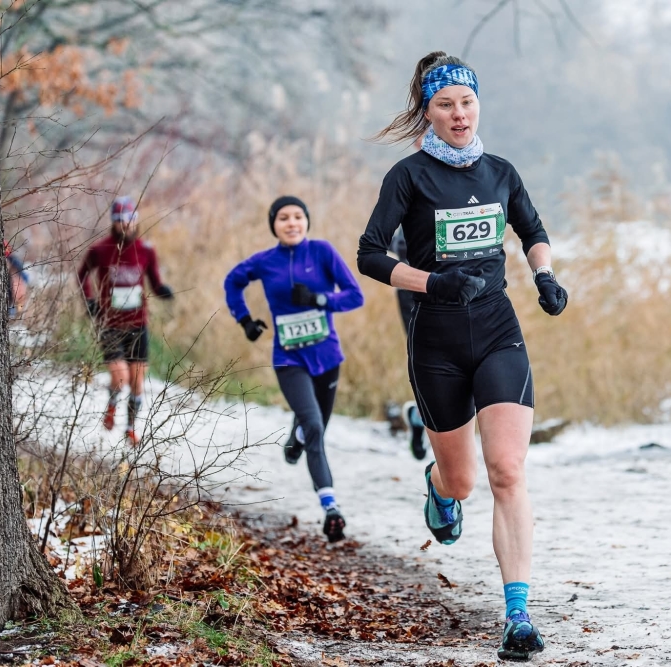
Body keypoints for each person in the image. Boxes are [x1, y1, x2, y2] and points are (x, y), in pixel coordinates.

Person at [357, 51, 568, 662]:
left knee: (508, 472)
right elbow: (370, 255)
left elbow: (532, 230)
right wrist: (433, 283)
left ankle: (517, 616)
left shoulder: (500, 171)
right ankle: (437, 485)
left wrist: (545, 277)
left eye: (467, 103)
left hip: (499, 332)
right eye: (445, 105)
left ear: (479, 106)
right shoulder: (409, 176)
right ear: (428, 110)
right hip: (437, 342)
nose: (458, 114)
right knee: (465, 481)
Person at [224, 196, 364, 543]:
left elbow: (354, 295)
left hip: (328, 357)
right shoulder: (265, 261)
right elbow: (232, 282)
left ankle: (295, 437)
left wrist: (320, 300)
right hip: (289, 359)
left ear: (307, 221)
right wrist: (244, 321)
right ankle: (331, 508)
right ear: (273, 224)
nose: (291, 223)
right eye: (283, 218)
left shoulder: (323, 252)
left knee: (312, 429)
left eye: (298, 216)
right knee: (315, 427)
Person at [77, 196, 174, 446]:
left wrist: (163, 291)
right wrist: (89, 301)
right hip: (109, 322)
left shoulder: (146, 250)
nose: (126, 225)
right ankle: (111, 405)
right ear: (113, 223)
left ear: (136, 221)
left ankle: (130, 427)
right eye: (120, 220)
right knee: (120, 377)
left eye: (130, 219)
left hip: (138, 323)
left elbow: (154, 280)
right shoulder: (100, 250)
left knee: (137, 382)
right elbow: (82, 275)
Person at [389, 227, 428, 460]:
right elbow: (386, 241)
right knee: (430, 359)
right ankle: (421, 415)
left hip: (461, 289)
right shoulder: (412, 193)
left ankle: (418, 414)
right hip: (414, 290)